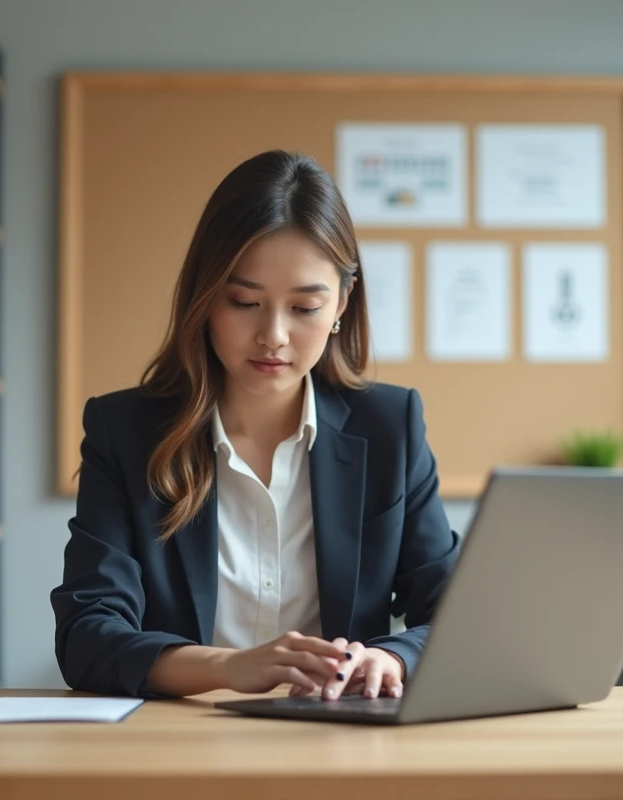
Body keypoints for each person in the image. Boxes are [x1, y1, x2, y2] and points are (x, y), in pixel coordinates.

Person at [50, 149, 460, 700]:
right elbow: (87, 637)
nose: (273, 335)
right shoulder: (124, 431)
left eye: (305, 307)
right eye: (244, 301)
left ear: (342, 302)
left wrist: (392, 656)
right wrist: (228, 667)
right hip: (182, 745)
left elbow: (456, 614)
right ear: (205, 299)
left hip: (343, 744)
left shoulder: (392, 427)